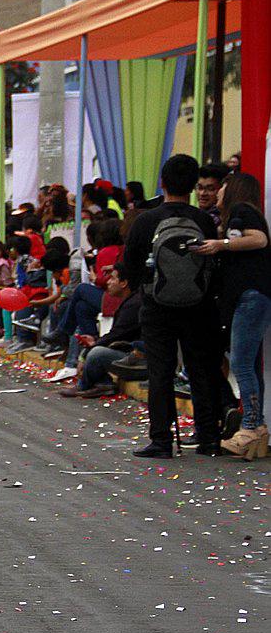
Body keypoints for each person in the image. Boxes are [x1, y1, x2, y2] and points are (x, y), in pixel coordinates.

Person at [119, 154, 223, 459]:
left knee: (160, 372)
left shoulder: (146, 220)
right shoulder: (203, 220)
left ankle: (162, 440)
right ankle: (208, 438)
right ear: (192, 186)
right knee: (200, 369)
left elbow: (130, 263)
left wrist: (145, 287)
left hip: (157, 306)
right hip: (198, 305)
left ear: (162, 183)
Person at [191, 171, 271, 459]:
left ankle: (250, 426)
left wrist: (220, 244)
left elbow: (259, 240)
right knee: (250, 362)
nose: (217, 193)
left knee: (241, 363)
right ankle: (256, 426)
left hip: (250, 296)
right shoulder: (241, 215)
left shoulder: (242, 212)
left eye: (222, 186)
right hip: (253, 296)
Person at [59, 273, 142, 399]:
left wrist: (91, 348)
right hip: (128, 353)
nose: (108, 282)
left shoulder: (134, 304)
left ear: (124, 283)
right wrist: (95, 341)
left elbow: (117, 334)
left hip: (139, 361)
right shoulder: (128, 301)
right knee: (82, 307)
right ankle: (103, 383)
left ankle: (84, 385)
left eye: (113, 278)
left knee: (96, 353)